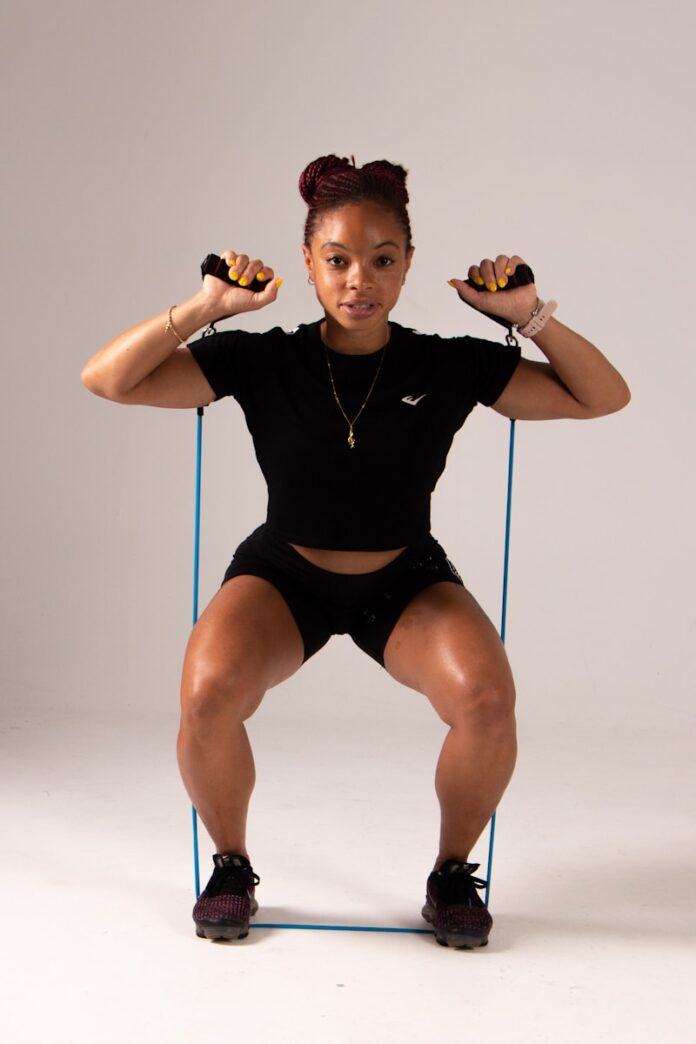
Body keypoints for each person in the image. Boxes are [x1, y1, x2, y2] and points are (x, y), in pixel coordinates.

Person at [81, 154, 630, 950]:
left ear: (409, 264)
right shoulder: (265, 360)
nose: (358, 280)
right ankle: (231, 866)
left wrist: (528, 314)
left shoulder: (446, 364)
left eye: (381, 259)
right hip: (285, 576)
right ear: (308, 262)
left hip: (403, 579)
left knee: (486, 701)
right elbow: (108, 380)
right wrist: (207, 305)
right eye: (336, 259)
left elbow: (602, 397)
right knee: (206, 695)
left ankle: (450, 878)